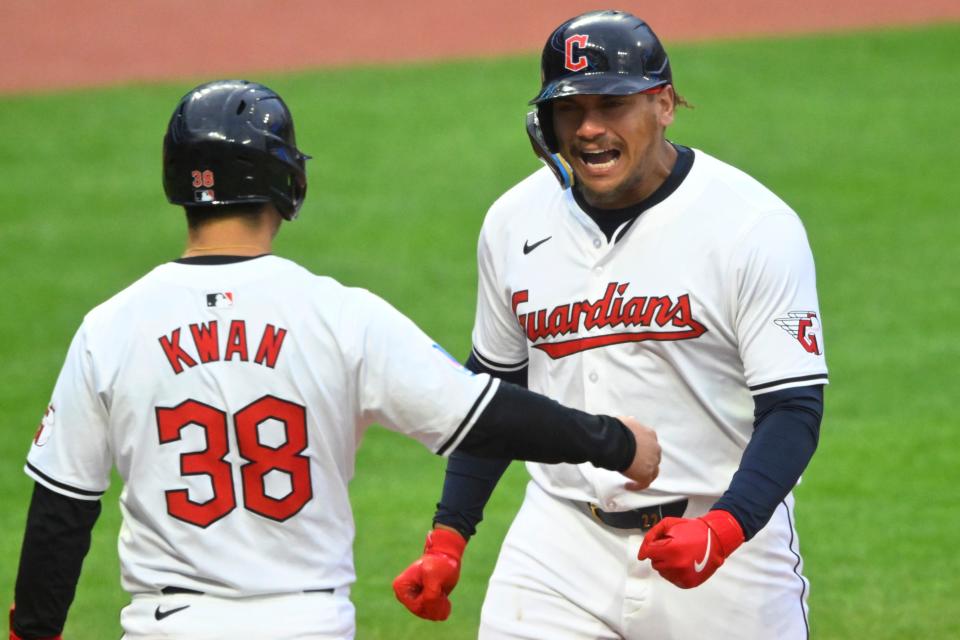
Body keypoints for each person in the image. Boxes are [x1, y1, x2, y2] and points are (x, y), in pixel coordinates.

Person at [8, 79, 663, 640]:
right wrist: (612, 442)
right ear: (285, 180)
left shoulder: (110, 328)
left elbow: (61, 514)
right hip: (306, 624)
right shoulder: (338, 316)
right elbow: (484, 413)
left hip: (169, 624)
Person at [393, 10, 828, 639]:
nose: (590, 129)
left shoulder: (751, 225)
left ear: (664, 105)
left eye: (612, 104)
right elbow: (493, 390)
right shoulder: (513, 222)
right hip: (561, 542)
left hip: (722, 540)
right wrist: (448, 535)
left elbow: (793, 407)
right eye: (570, 109)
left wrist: (725, 529)